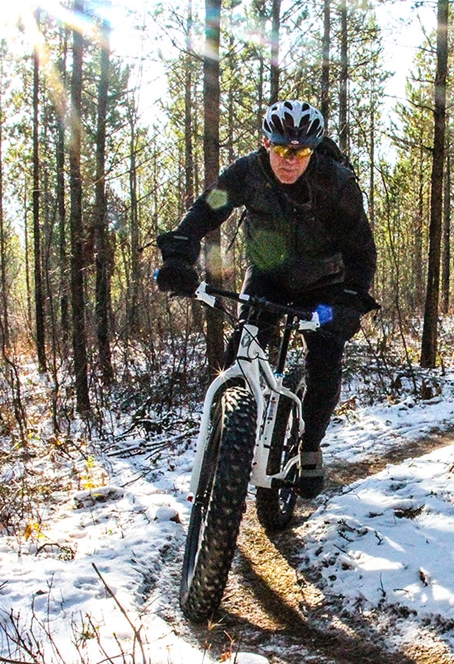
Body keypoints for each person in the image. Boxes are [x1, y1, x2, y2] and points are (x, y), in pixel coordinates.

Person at [154, 100, 378, 498]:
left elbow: (361, 251)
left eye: (301, 152)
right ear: (265, 144)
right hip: (268, 277)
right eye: (281, 149)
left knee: (324, 359)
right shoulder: (247, 173)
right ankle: (230, 435)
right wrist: (178, 257)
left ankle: (309, 446)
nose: (290, 160)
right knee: (243, 347)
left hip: (325, 286)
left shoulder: (338, 183)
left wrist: (351, 300)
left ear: (313, 151)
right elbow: (205, 211)